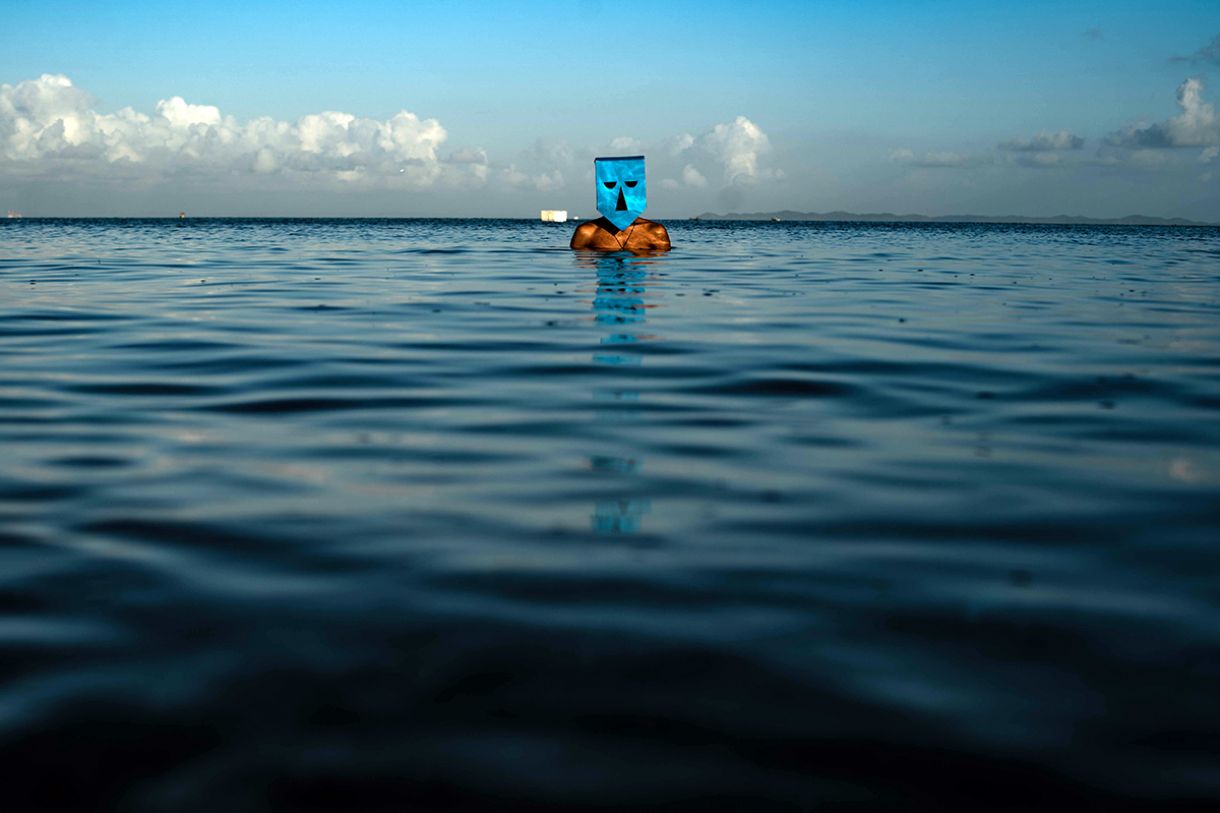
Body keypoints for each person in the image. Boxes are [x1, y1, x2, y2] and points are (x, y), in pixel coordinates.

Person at [570, 155, 671, 252]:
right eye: (610, 184)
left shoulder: (655, 232)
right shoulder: (587, 232)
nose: (620, 195)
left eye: (630, 184)